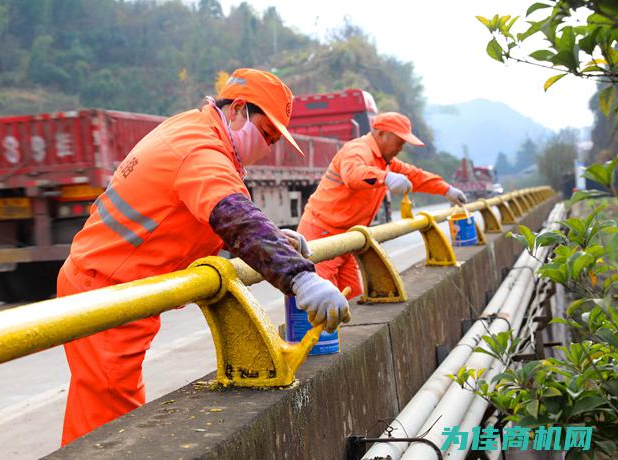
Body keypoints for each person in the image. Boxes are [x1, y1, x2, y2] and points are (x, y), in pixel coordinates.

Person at [57, 68, 349, 445]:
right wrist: (301, 277)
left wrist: (273, 238)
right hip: (105, 290)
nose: (268, 146)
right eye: (268, 134)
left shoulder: (195, 130)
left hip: (112, 285)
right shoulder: (199, 149)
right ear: (238, 109)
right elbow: (232, 215)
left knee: (100, 409)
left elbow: (203, 215)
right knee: (109, 423)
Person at [297, 112, 467, 299]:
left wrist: (446, 189)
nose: (401, 147)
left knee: (352, 299)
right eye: (399, 141)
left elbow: (415, 176)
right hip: (322, 236)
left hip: (345, 240)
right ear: (381, 134)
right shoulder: (357, 150)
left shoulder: (385, 161)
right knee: (322, 302)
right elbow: (353, 174)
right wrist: (385, 177)